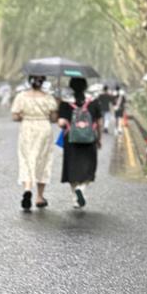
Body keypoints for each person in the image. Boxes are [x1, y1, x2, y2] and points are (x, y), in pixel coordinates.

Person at [11, 74, 58, 210]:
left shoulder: (21, 96)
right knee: (43, 160)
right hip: (44, 128)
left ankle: (27, 189)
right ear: (43, 82)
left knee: (26, 159)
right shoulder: (48, 97)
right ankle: (39, 196)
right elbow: (54, 118)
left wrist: (25, 116)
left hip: (27, 128)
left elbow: (15, 116)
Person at [57, 76, 102, 209]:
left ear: (71, 87)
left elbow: (60, 123)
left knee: (72, 168)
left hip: (71, 140)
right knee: (89, 167)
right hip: (89, 140)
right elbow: (99, 122)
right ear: (85, 86)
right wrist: (99, 139)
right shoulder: (93, 102)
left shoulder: (65, 103)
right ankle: (82, 189)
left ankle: (75, 197)